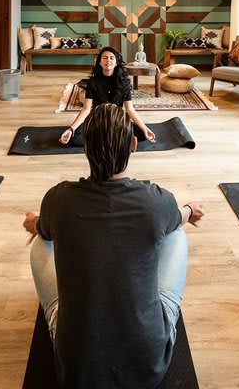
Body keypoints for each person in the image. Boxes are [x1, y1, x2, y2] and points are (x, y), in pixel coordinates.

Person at [25, 103, 204, 388]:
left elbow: (42, 231)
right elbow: (181, 217)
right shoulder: (156, 201)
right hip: (148, 365)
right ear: (133, 145)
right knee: (177, 234)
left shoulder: (58, 200)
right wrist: (188, 210)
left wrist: (37, 222)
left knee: (40, 243)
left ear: (85, 148)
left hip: (78, 371)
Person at [59, 46, 156, 146]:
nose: (108, 60)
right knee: (73, 138)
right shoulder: (93, 81)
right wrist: (71, 129)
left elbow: (129, 109)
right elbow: (86, 109)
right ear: (100, 62)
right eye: (105, 58)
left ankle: (106, 138)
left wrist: (145, 128)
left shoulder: (124, 82)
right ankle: (118, 138)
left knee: (143, 133)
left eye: (111, 58)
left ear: (116, 62)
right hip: (98, 119)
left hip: (117, 120)